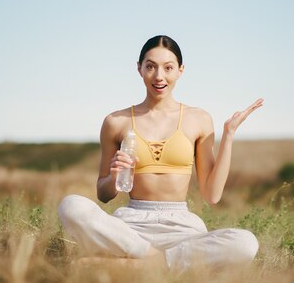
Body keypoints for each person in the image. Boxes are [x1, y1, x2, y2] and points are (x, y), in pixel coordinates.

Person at [58, 35, 263, 272]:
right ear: (139, 69)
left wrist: (229, 135)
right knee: (71, 206)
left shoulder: (199, 119)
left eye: (168, 68)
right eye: (150, 67)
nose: (159, 76)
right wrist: (114, 177)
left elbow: (212, 194)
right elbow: (103, 194)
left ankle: (130, 268)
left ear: (180, 70)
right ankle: (159, 262)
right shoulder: (116, 122)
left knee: (245, 243)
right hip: (131, 227)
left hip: (182, 228)